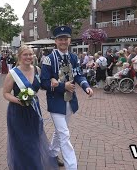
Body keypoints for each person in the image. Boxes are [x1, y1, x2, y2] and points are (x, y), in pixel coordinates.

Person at [40, 26, 93, 169]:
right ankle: (72, 166)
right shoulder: (48, 59)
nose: (63, 41)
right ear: (55, 41)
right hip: (56, 102)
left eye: (65, 39)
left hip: (70, 100)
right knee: (64, 134)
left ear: (69, 41)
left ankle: (51, 154)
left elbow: (78, 75)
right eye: (60, 39)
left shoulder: (74, 57)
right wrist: (62, 86)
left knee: (60, 132)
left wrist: (86, 86)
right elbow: (44, 82)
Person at [3, 45, 58, 170]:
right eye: (25, 55)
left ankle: (34, 166)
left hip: (33, 110)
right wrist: (18, 100)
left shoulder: (37, 70)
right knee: (21, 142)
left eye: (30, 54)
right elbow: (5, 93)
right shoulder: (13, 73)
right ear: (19, 56)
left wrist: (53, 79)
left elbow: (45, 83)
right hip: (17, 111)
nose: (28, 57)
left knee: (34, 139)